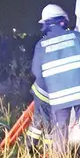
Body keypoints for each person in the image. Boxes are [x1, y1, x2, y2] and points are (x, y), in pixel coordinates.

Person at [31, 4, 80, 158]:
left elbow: (37, 72)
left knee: (60, 130)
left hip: (58, 97)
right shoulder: (76, 36)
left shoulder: (41, 46)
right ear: (63, 21)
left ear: (46, 24)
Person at [25, 22, 54, 150]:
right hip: (50, 93)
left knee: (37, 121)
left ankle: (29, 148)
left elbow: (35, 70)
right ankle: (49, 155)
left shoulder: (42, 44)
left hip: (39, 90)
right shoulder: (66, 45)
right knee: (50, 124)